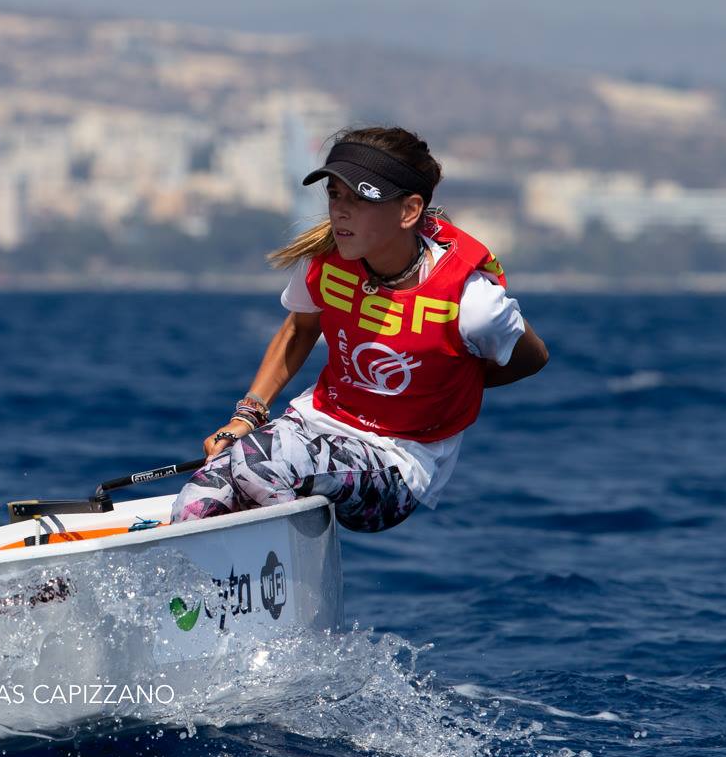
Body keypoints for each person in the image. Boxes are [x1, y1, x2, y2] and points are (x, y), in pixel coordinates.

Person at [170, 126, 548, 532]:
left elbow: (532, 357)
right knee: (198, 498)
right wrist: (246, 416)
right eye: (335, 195)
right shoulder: (324, 260)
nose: (340, 211)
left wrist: (451, 383)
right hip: (315, 425)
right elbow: (299, 331)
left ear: (409, 211)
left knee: (257, 464)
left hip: (397, 464)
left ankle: (287, 578)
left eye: (360, 199)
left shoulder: (472, 303)